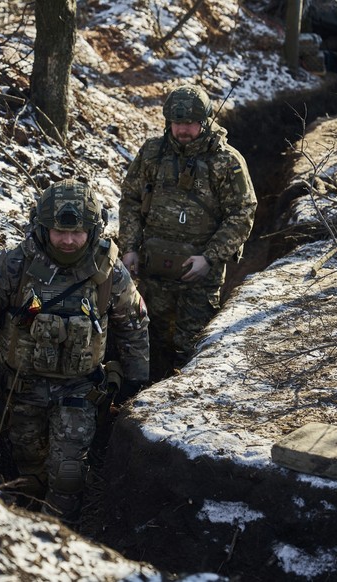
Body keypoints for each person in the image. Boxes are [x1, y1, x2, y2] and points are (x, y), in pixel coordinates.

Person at [0, 179, 149, 523]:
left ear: (93, 229)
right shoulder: (12, 268)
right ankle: (26, 528)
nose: (69, 241)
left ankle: (62, 539)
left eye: (78, 233)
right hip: (21, 390)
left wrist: (135, 384)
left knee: (67, 473)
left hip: (79, 391)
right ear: (42, 228)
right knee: (30, 469)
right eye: (60, 232)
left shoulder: (109, 274)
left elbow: (133, 328)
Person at [118, 84, 257, 381]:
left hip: (199, 274)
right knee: (150, 338)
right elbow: (130, 199)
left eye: (190, 123)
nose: (182, 129)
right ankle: (141, 401)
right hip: (153, 268)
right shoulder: (152, 154)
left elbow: (243, 212)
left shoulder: (226, 161)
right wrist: (129, 247)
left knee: (191, 344)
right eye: (177, 123)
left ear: (204, 121)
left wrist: (209, 257)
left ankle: (181, 399)